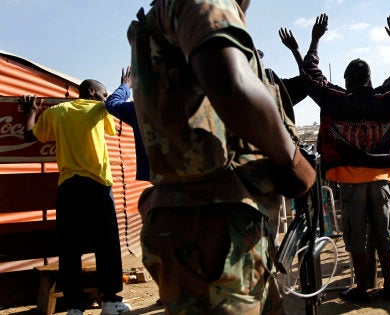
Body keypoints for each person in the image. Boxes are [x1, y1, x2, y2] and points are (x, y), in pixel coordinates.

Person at [127, 0, 316, 314]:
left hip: (220, 226)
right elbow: (232, 83)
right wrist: (293, 161)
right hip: (214, 231)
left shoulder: (169, 19)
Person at [299, 13, 390, 303]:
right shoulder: (385, 99)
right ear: (369, 79)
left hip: (350, 183)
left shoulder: (336, 99)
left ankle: (362, 288)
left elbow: (311, 75)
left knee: (355, 237)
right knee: (382, 232)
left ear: (347, 81)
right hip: (380, 180)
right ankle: (388, 284)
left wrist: (315, 39)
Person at [19, 81, 132, 315]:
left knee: (69, 247)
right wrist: (125, 86)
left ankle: (73, 306)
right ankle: (110, 301)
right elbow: (112, 124)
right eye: (103, 94)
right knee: (107, 245)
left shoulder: (56, 112)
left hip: (69, 187)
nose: (105, 98)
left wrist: (30, 113)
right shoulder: (100, 110)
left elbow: (30, 135)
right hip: (98, 185)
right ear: (91, 92)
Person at [105, 66, 149, 181]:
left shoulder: (140, 109)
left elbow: (112, 103)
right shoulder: (197, 104)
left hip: (164, 180)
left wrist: (125, 86)